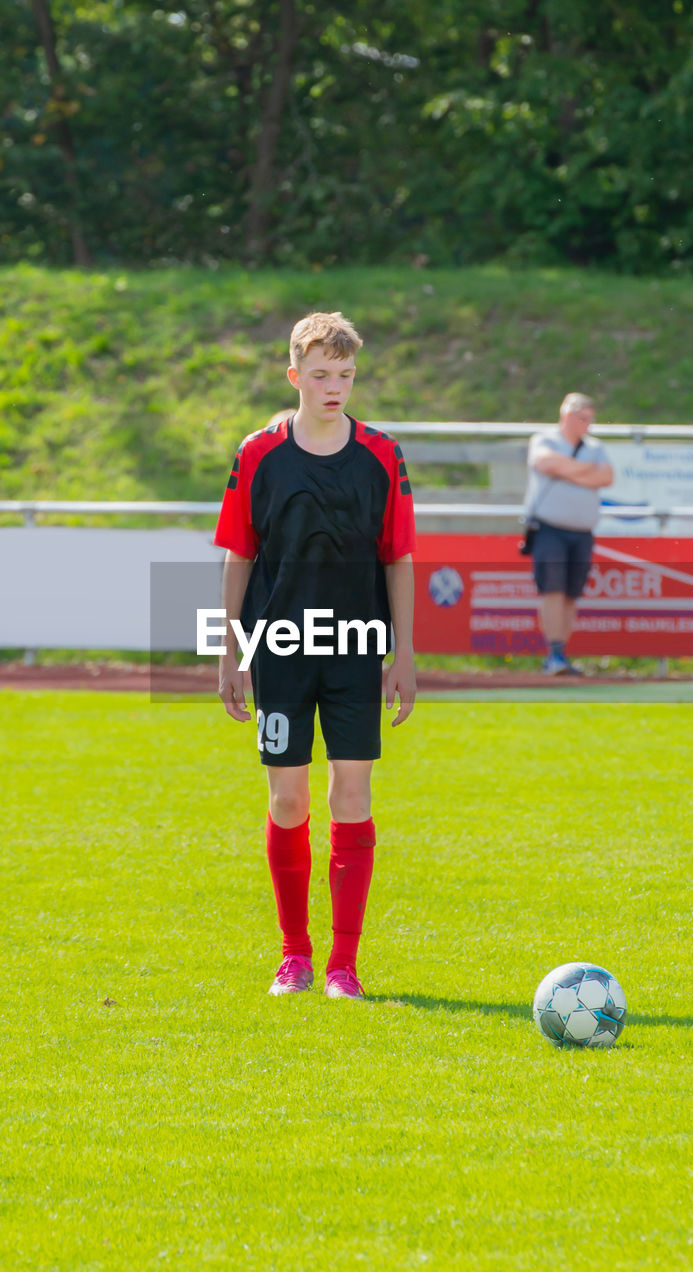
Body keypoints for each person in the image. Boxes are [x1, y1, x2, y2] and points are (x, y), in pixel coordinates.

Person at [213, 311, 416, 1000]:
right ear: (294, 375)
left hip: (357, 650)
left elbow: (399, 557)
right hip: (280, 650)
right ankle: (293, 956)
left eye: (346, 375)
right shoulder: (258, 451)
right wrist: (229, 649)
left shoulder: (382, 455)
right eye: (322, 375)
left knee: (351, 795)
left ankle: (343, 966)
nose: (335, 387)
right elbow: (239, 553)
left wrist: (403, 652)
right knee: (290, 800)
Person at [524, 393, 614, 675]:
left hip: (582, 532)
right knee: (552, 589)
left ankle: (561, 652)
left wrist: (568, 471)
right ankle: (554, 654)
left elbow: (607, 477)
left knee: (572, 593)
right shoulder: (545, 439)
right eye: (583, 419)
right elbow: (546, 464)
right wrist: (586, 472)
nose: (588, 425)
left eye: (591, 419)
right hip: (549, 528)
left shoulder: (595, 447)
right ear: (567, 416)